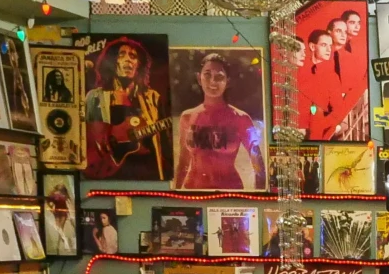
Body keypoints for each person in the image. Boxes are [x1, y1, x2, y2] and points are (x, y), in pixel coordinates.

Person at [173, 53, 264, 190]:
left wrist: (258, 195)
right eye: (207, 75)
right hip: (194, 191)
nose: (212, 82)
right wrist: (176, 195)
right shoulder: (187, 117)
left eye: (219, 77)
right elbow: (183, 163)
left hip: (229, 194)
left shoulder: (240, 118)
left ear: (227, 81)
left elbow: (257, 163)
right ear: (199, 78)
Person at [84, 39, 166, 179]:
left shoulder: (152, 97)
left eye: (133, 56)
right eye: (122, 55)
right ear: (112, 62)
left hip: (146, 174)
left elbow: (165, 143)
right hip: (108, 171)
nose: (128, 60)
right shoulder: (95, 96)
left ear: (139, 65)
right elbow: (86, 136)